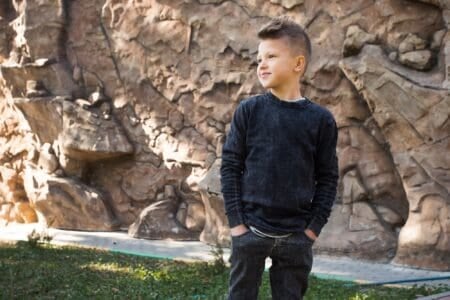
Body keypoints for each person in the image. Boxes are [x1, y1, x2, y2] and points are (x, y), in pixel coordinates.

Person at [220, 16, 339, 300]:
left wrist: (311, 230)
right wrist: (237, 225)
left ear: (298, 64)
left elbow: (328, 178)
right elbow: (230, 167)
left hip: (296, 237)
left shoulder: (320, 120)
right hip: (250, 231)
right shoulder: (249, 111)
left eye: (271, 56)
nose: (261, 64)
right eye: (260, 58)